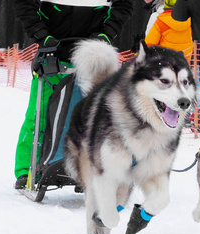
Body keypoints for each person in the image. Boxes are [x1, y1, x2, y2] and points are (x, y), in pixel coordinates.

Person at [13, 0, 133, 189]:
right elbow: (24, 5)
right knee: (40, 117)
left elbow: (124, 6)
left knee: (93, 120)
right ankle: (27, 171)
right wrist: (42, 37)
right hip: (52, 55)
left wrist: (105, 35)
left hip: (93, 59)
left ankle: (89, 169)